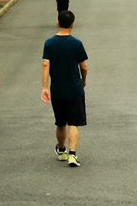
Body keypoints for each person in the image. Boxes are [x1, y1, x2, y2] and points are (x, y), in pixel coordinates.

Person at [42, 10, 89, 167]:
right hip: (74, 88)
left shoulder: (49, 43)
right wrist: (83, 80)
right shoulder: (77, 43)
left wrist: (44, 87)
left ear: (58, 23)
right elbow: (84, 66)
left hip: (57, 89)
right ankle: (72, 154)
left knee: (60, 122)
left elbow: (45, 64)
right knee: (74, 123)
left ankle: (61, 150)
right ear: (72, 25)